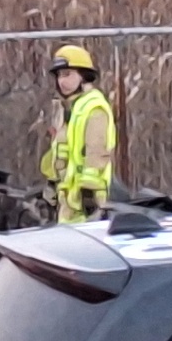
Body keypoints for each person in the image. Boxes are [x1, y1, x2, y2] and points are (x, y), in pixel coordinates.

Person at [40, 44, 118, 224]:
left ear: (84, 76)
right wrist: (52, 186)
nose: (62, 81)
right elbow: (61, 153)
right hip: (67, 204)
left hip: (87, 208)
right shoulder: (67, 108)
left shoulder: (94, 107)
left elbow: (96, 153)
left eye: (68, 74)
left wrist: (88, 195)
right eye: (59, 75)